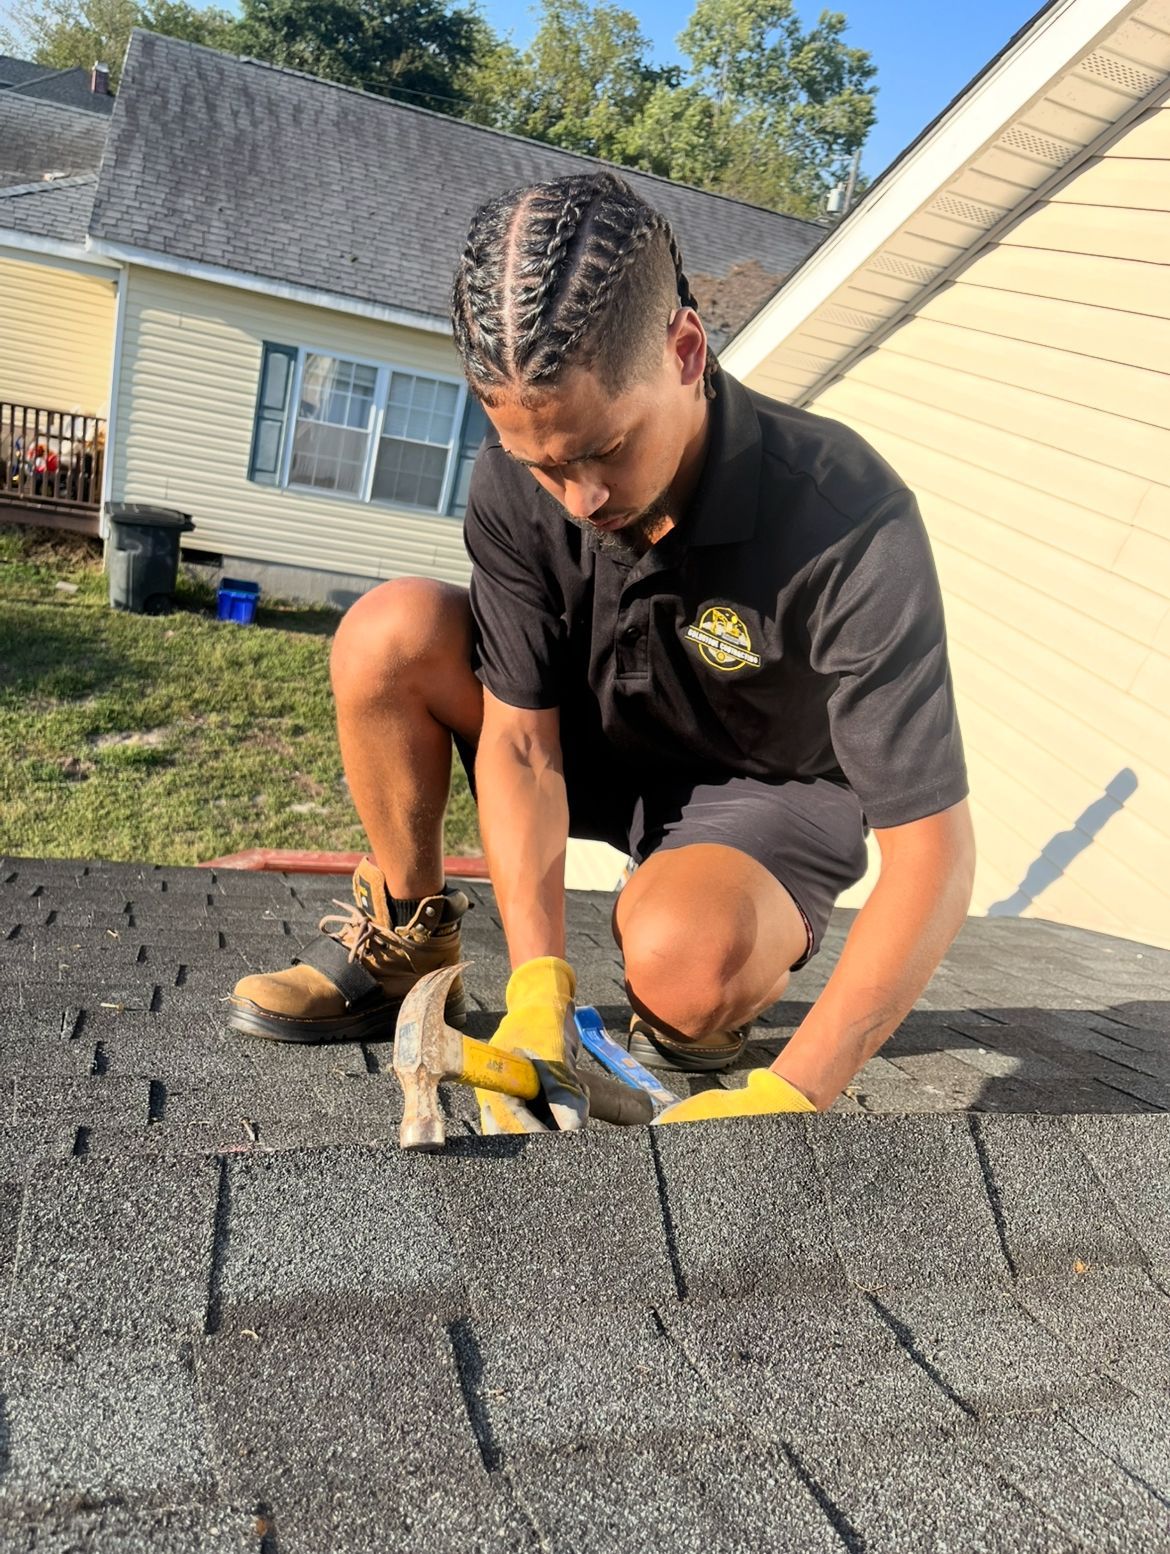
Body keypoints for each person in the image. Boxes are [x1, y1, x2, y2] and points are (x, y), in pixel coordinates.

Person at [228, 170, 975, 1130]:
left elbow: (935, 857)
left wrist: (802, 1089)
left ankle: (691, 979)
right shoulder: (518, 479)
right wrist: (540, 982)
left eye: (606, 450)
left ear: (686, 350)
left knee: (685, 962)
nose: (578, 500)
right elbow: (523, 744)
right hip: (594, 736)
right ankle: (411, 943)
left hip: (762, 784)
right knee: (388, 635)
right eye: (544, 465)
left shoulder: (848, 518)